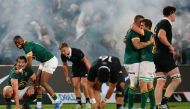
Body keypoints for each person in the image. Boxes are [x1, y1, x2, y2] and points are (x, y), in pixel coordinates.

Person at [13, 35, 63, 109]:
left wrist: (20, 70)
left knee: (43, 83)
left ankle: (58, 101)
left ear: (21, 40)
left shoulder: (27, 47)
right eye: (16, 44)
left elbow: (29, 64)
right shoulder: (26, 45)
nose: (17, 45)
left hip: (50, 61)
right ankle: (39, 106)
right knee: (36, 82)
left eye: (17, 43)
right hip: (43, 62)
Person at [153, 6, 181, 109]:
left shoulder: (159, 23)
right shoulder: (166, 22)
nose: (175, 16)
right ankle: (164, 103)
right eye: (175, 13)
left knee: (160, 82)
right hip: (164, 55)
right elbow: (161, 35)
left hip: (157, 55)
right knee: (177, 79)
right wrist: (170, 46)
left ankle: (157, 106)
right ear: (171, 13)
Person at [123, 15, 154, 109]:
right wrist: (149, 42)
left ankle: (126, 104)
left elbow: (126, 38)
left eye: (143, 24)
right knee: (137, 84)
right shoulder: (135, 31)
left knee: (137, 83)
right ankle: (130, 106)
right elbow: (137, 45)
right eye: (140, 23)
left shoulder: (141, 32)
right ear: (137, 22)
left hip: (137, 61)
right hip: (134, 61)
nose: (141, 25)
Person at [131, 19, 155, 109]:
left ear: (147, 27)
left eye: (142, 25)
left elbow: (132, 26)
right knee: (150, 85)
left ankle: (143, 107)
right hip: (151, 62)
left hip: (145, 62)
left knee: (143, 85)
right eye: (140, 25)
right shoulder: (152, 34)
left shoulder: (146, 33)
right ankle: (153, 106)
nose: (140, 27)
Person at [59, 42, 91, 109]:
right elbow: (64, 65)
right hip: (75, 67)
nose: (63, 53)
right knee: (76, 86)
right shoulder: (63, 55)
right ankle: (79, 104)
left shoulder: (77, 51)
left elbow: (86, 61)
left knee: (83, 84)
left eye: (64, 50)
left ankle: (88, 102)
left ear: (68, 47)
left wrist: (91, 72)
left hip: (83, 67)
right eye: (62, 51)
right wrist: (67, 76)